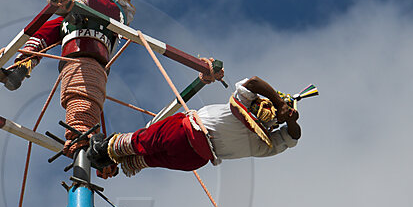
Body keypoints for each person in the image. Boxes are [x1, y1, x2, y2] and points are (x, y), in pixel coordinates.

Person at [0, 0, 135, 154]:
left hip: (109, 10)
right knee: (47, 27)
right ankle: (21, 67)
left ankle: (76, 11)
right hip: (80, 19)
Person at [88, 75, 302, 176]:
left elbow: (293, 137)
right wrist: (282, 106)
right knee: (144, 156)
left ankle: (104, 152)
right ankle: (112, 162)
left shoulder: (261, 137)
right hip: (192, 157)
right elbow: (253, 83)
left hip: (186, 139)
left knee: (142, 144)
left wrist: (289, 116)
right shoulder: (244, 109)